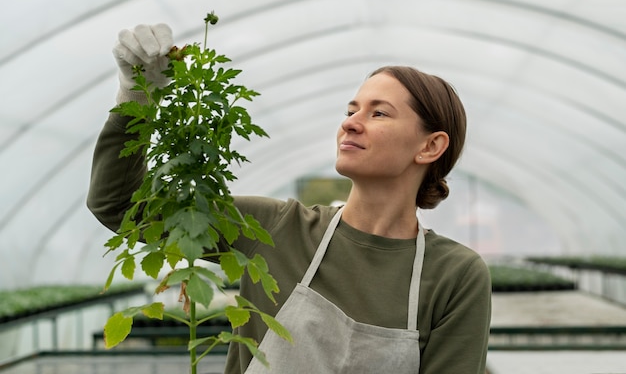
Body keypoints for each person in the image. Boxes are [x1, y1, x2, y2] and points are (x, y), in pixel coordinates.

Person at [87, 24, 492, 374]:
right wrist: (136, 96)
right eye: (351, 110)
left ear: (430, 146)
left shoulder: (454, 275)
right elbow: (123, 209)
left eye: (378, 114)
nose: (350, 123)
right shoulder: (276, 227)